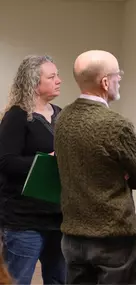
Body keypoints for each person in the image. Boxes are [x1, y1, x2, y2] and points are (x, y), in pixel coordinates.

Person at [54, 50, 136, 284]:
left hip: (72, 236)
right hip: (113, 238)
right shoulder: (116, 125)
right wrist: (123, 174)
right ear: (105, 82)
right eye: (118, 74)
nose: (120, 79)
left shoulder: (63, 118)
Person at [0, 55, 66, 285]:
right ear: (34, 83)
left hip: (58, 216)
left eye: (57, 75)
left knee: (59, 279)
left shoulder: (60, 114)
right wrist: (45, 161)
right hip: (24, 219)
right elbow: (5, 162)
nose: (59, 80)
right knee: (17, 280)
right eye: (52, 76)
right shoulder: (16, 116)